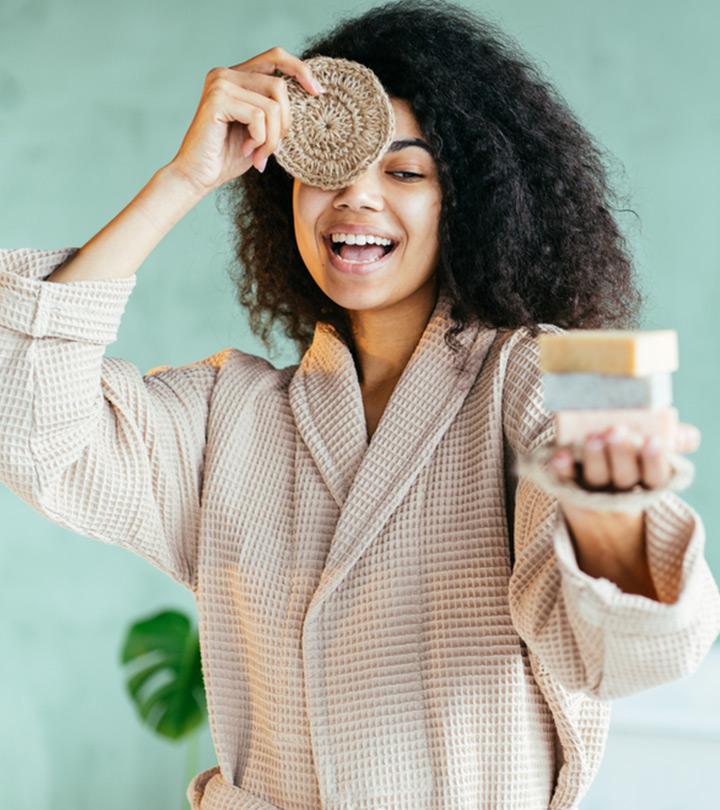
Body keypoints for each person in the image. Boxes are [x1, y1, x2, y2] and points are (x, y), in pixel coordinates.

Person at [1, 1, 718, 808]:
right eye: (327, 167)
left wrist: (612, 512)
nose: (356, 198)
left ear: (471, 200)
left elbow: (633, 655)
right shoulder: (228, 414)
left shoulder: (536, 380)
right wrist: (184, 179)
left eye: (405, 172)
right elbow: (27, 425)